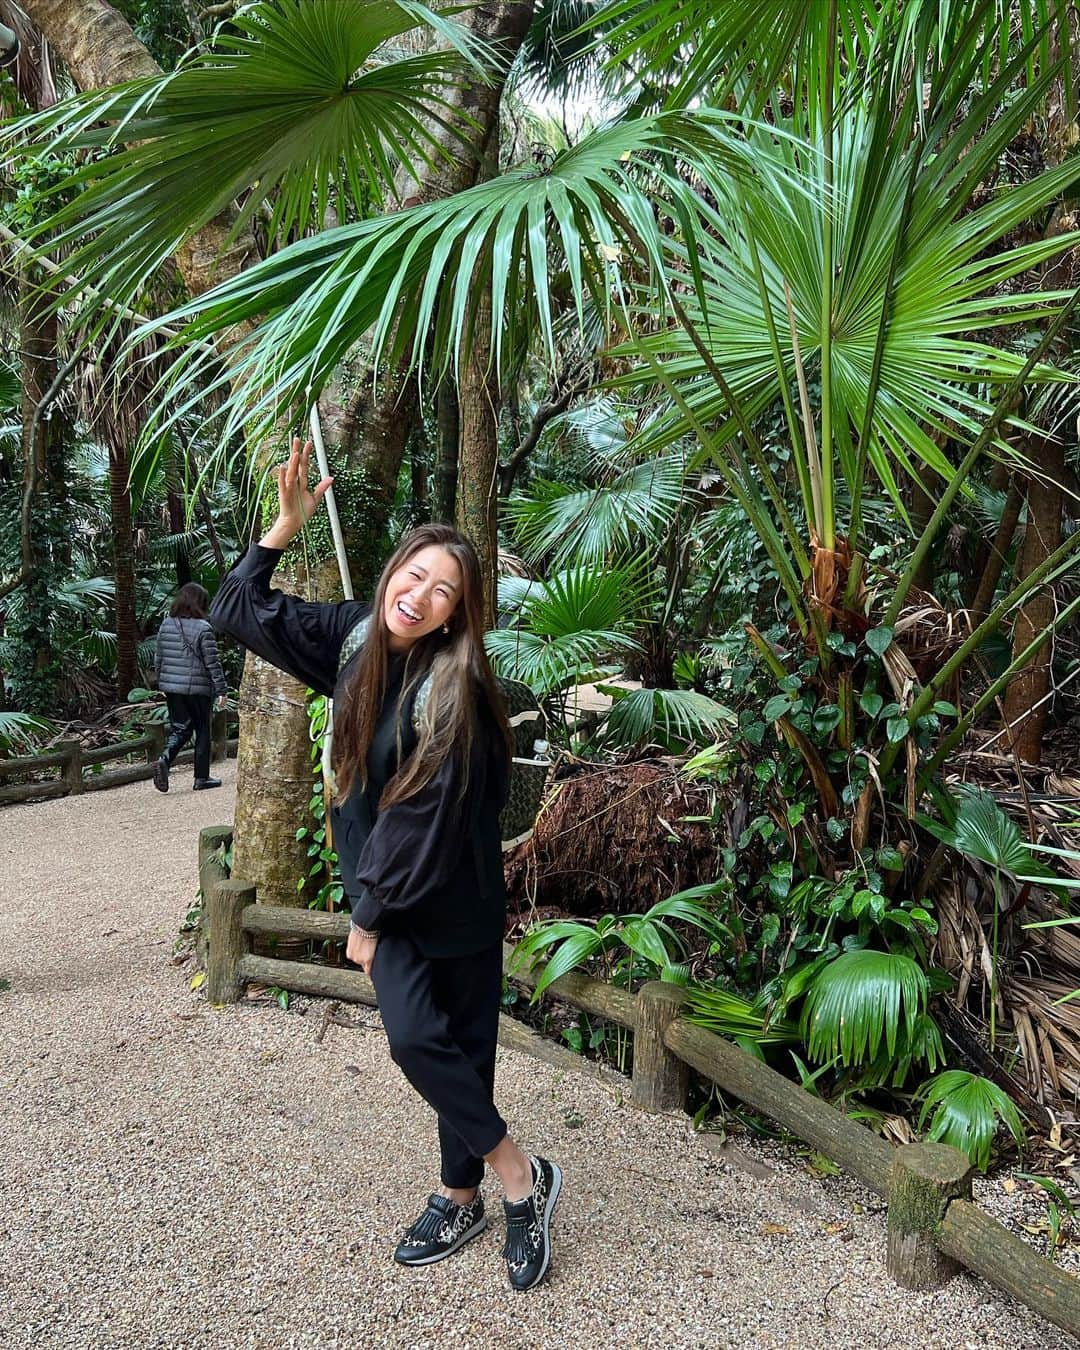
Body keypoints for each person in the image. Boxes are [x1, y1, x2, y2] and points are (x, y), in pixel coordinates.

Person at [210, 438, 562, 1292]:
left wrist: (366, 916)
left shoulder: (460, 690)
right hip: (388, 898)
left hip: (452, 898)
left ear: (458, 614)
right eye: (415, 575)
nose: (421, 596)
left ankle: (461, 1192)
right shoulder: (350, 637)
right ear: (394, 572)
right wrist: (282, 529)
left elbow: (427, 818)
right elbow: (233, 611)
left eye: (444, 591)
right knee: (415, 1041)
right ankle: (523, 1175)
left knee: (460, 1051)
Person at [153, 581, 228, 793]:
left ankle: (165, 759)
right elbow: (212, 662)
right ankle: (201, 778)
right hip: (198, 689)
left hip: (172, 687)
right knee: (203, 729)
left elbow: (159, 657)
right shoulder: (204, 628)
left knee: (180, 728)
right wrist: (222, 690)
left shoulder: (166, 624)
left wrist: (161, 681)